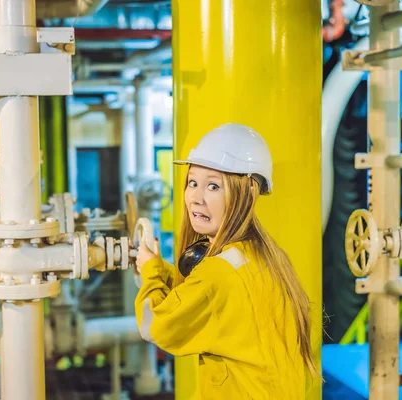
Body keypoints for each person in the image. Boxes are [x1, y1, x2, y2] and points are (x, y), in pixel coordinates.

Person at [134, 123, 318, 399]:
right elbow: (203, 297)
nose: (196, 198)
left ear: (246, 195)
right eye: (193, 183)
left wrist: (150, 271)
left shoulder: (217, 273)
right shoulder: (262, 255)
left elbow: (155, 326)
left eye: (213, 186)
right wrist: (161, 270)